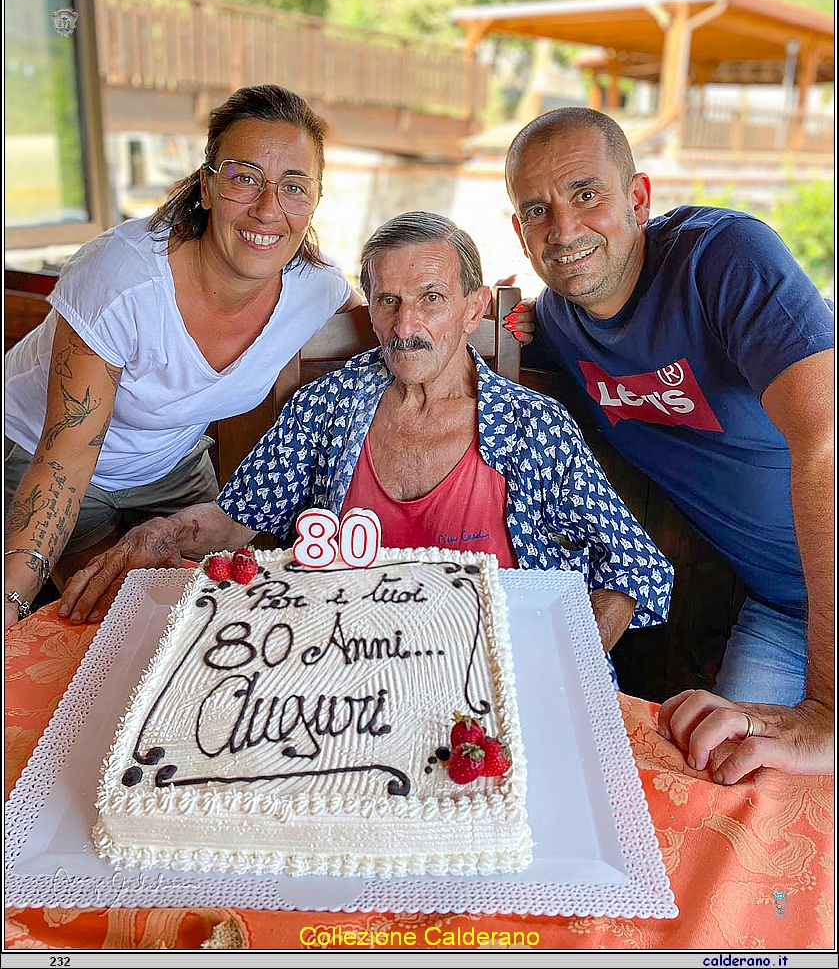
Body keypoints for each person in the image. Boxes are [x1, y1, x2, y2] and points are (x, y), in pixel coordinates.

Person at [60, 213, 673, 660]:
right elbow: (233, 518)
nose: (406, 327)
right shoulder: (329, 407)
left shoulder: (533, 428)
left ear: (473, 308)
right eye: (388, 301)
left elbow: (637, 568)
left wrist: (566, 665)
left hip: (491, 678)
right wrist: (159, 533)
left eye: (432, 299)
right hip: (339, 681)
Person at [504, 107, 834, 783]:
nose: (563, 229)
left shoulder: (721, 258)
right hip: (781, 608)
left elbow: (825, 441)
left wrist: (826, 707)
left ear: (638, 199)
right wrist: (489, 318)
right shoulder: (559, 321)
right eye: (537, 210)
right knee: (720, 779)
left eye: (586, 194)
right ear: (520, 231)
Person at [4, 84, 365, 631]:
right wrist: (10, 600)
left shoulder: (316, 291)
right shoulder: (122, 279)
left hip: (171, 470)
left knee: (199, 623)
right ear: (206, 187)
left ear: (314, 199)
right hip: (39, 455)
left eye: (294, 186)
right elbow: (66, 458)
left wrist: (507, 321)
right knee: (108, 619)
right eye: (244, 178)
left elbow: (392, 323)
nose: (268, 209)